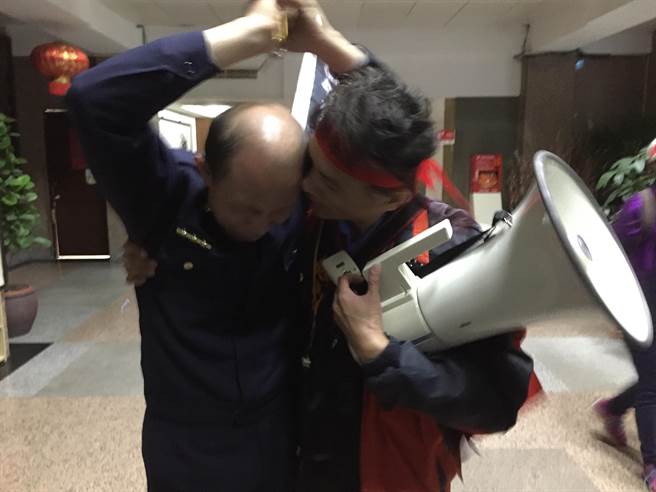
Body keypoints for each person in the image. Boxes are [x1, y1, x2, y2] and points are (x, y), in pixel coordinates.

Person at [123, 2, 534, 490]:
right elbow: (390, 110)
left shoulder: (455, 249)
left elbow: (497, 403)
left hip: (387, 474)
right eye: (309, 166)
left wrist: (382, 354)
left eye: (329, 181)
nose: (305, 186)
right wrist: (165, 247)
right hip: (298, 459)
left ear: (394, 196)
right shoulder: (317, 219)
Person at [65, 1, 369, 489]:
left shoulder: (309, 205)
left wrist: (329, 44)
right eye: (247, 209)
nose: (264, 225)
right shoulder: (164, 197)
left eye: (278, 212)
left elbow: (396, 133)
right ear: (206, 172)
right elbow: (92, 99)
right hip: (185, 446)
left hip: (276, 435)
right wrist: (251, 33)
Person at [594, 184, 656, 492]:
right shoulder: (641, 206)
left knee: (652, 377)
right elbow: (610, 252)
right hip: (640, 305)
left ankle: (613, 408)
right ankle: (652, 463)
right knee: (651, 383)